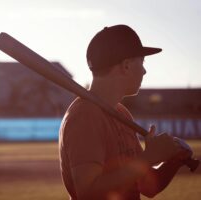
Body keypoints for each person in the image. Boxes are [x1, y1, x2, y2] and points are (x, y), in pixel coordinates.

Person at [59, 25, 192, 200]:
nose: (144, 71)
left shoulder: (121, 113)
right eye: (142, 62)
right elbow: (88, 192)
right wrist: (148, 158)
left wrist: (173, 160)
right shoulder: (85, 115)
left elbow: (147, 186)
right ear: (126, 65)